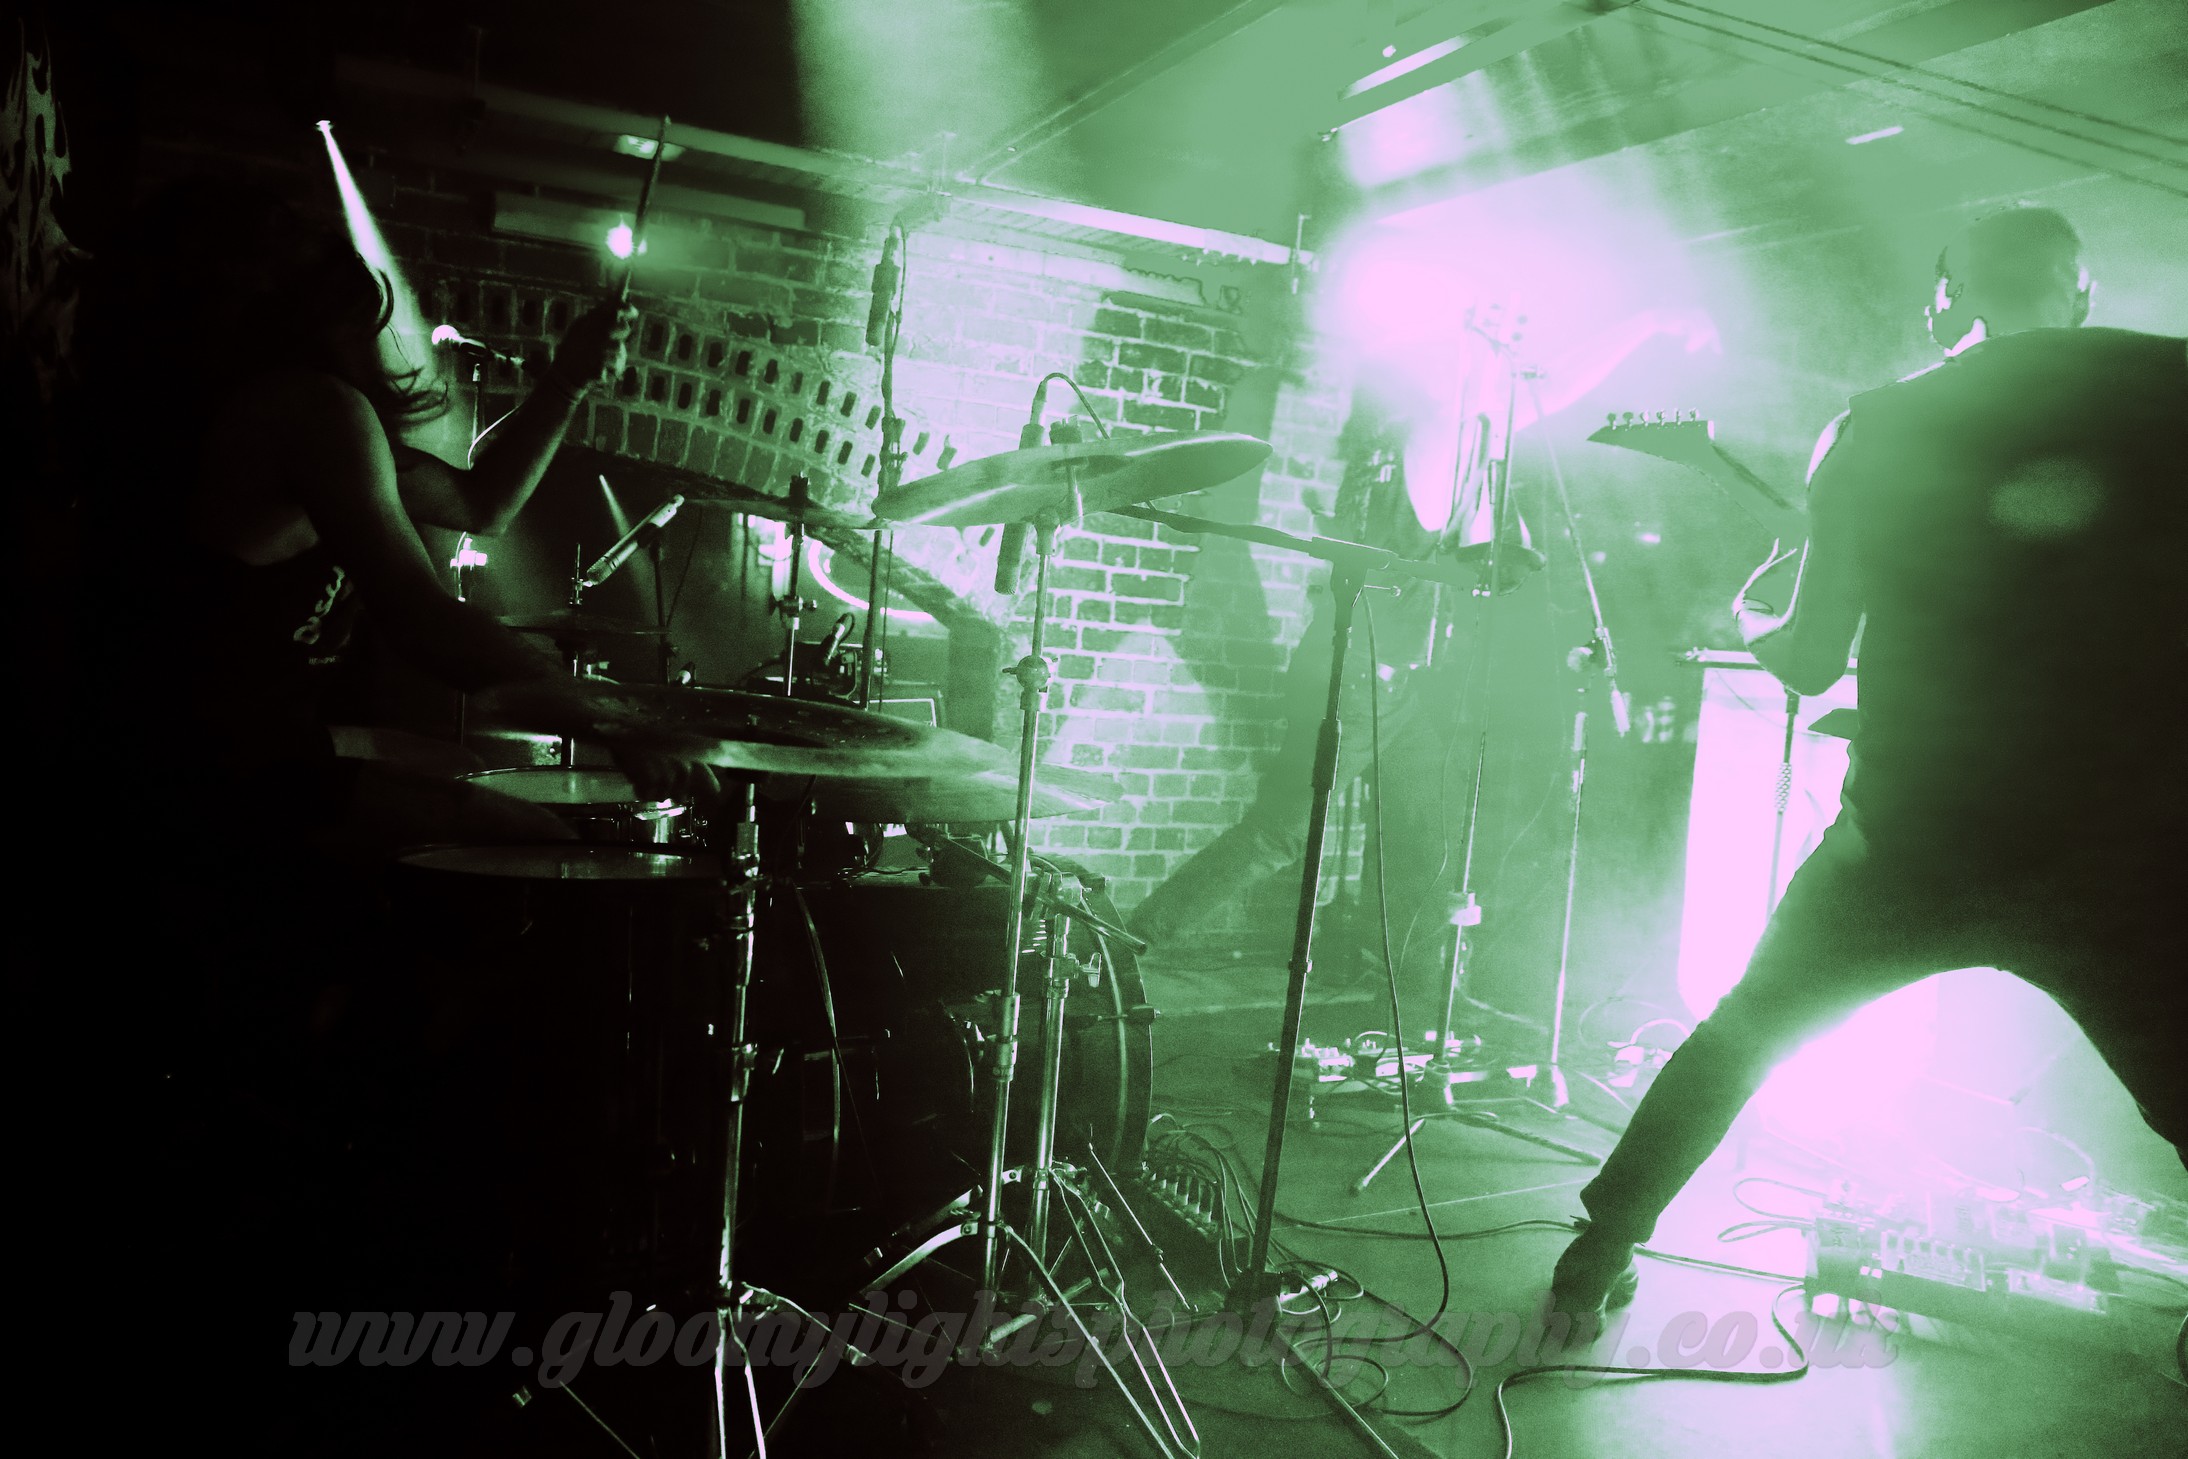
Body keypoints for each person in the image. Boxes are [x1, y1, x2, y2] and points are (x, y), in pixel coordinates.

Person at [1549, 205, 2186, 1320]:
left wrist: (1756, 613)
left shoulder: (1879, 423)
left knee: (1744, 1032)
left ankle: (1597, 1252)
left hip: (1916, 833)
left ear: (1943, 302)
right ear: (2080, 292)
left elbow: (1807, 659)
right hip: (2116, 846)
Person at [1128, 299, 1719, 971]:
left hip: (1386, 682)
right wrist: (1647, 321)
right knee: (1278, 835)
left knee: (1430, 820)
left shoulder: (1449, 449)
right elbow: (1543, 392)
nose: (1505, 364)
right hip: (1354, 680)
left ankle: (1410, 972)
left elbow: (1479, 544)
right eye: (1488, 350)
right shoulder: (1437, 433)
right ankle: (1128, 942)